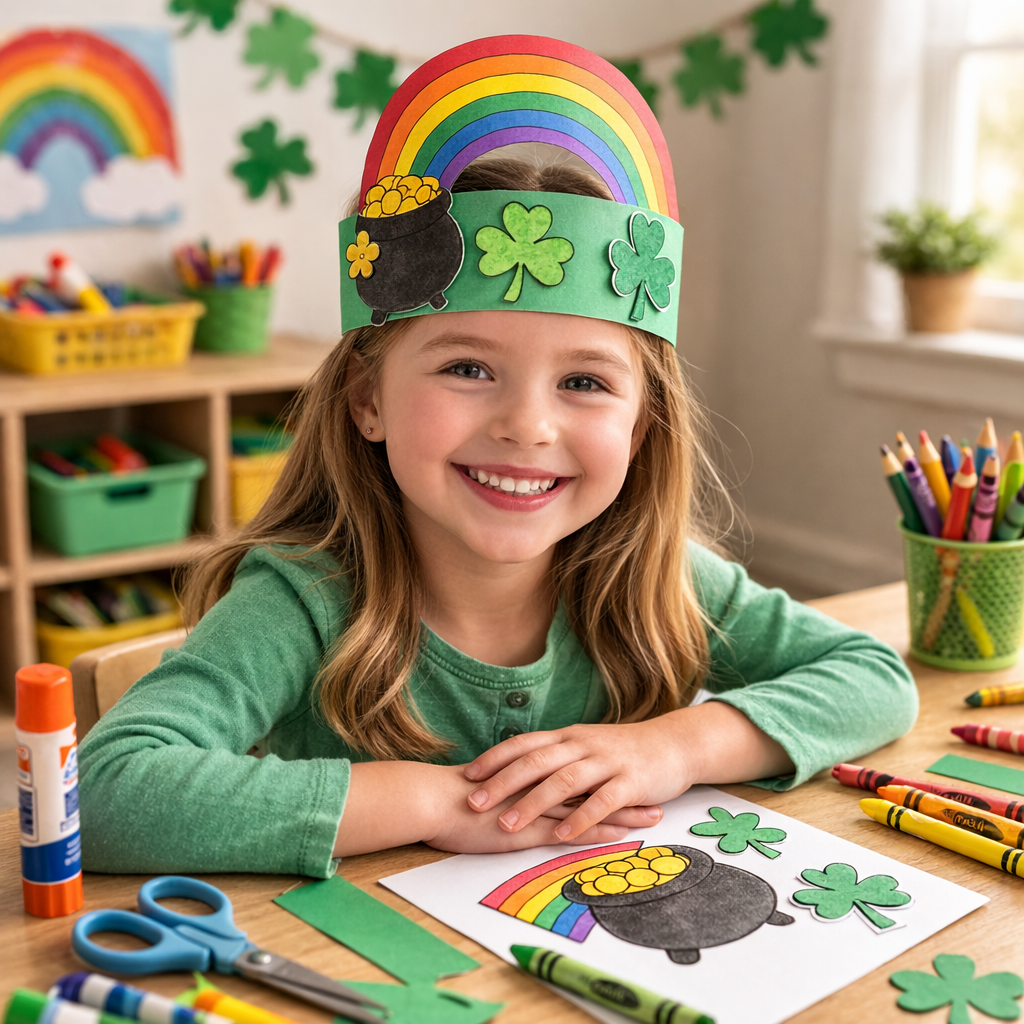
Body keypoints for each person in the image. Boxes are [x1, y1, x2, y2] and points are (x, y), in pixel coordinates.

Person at [79, 39, 917, 879]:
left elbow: (873, 676)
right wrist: (436, 802)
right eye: (467, 369)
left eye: (585, 381)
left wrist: (675, 747)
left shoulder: (658, 576)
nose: (527, 426)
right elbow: (109, 792)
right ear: (368, 399)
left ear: (641, 425)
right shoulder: (302, 602)